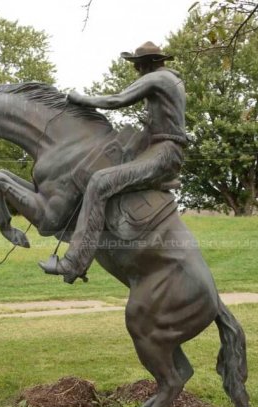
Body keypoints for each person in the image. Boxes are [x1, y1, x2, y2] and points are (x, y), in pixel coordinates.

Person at [39, 41, 187, 283]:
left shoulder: (158, 79)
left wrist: (80, 98)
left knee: (99, 181)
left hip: (163, 152)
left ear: (148, 64)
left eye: (138, 66)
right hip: (155, 146)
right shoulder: (171, 80)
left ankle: (74, 263)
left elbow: (117, 100)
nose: (137, 71)